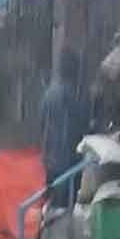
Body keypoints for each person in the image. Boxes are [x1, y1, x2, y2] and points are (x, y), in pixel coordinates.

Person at [40, 50, 89, 209]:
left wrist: (45, 153)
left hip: (51, 158)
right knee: (67, 203)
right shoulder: (73, 95)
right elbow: (82, 125)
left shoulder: (49, 94)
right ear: (74, 71)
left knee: (53, 200)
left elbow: (42, 125)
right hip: (68, 158)